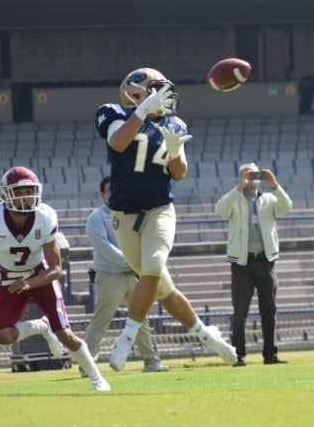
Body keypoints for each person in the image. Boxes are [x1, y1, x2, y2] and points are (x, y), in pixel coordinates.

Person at [95, 67, 238, 371]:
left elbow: (180, 173)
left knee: (154, 265)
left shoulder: (174, 122)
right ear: (135, 93)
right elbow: (118, 143)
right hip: (123, 215)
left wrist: (175, 152)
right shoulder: (113, 112)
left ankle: (127, 339)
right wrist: (142, 113)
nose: (165, 95)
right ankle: (209, 337)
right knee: (163, 290)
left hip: (159, 209)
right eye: (156, 89)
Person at [0, 166, 110, 391]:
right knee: (2, 335)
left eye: (28, 191)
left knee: (66, 335)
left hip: (40, 275)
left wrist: (30, 282)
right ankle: (41, 326)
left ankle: (98, 379)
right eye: (18, 192)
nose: (24, 198)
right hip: (10, 278)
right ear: (5, 194)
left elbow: (56, 268)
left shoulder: (45, 216)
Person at [82, 176, 169, 374]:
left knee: (141, 319)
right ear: (102, 193)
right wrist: (133, 262)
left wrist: (137, 264)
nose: (114, 193)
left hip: (132, 275)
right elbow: (104, 248)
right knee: (101, 321)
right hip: (109, 275)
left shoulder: (132, 215)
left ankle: (151, 361)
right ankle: (87, 365)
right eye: (109, 189)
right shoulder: (96, 217)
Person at [214, 162, 293, 366]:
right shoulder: (235, 199)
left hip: (265, 261)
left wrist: (274, 184)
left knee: (269, 309)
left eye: (255, 175)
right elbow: (219, 209)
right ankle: (238, 355)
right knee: (240, 311)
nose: (252, 179)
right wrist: (238, 187)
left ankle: (270, 354)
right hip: (242, 262)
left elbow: (287, 206)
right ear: (240, 177)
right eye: (248, 175)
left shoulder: (268, 199)